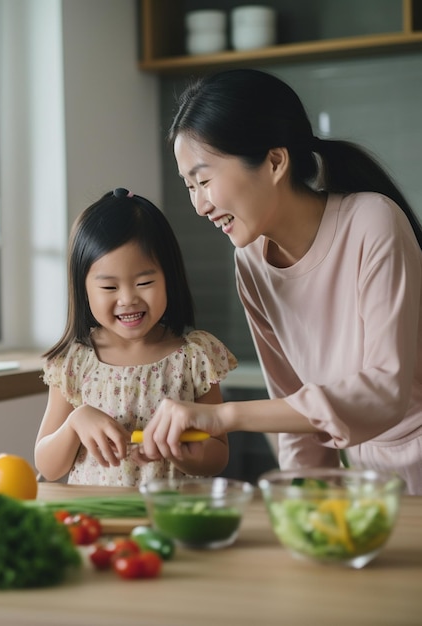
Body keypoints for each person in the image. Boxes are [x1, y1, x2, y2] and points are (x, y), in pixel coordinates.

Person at [140, 68, 422, 495]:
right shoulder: (251, 261)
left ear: (274, 161)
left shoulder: (372, 221)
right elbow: (293, 408)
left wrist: (226, 417)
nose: (200, 205)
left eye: (204, 180)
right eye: (189, 186)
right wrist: (300, 501)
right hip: (372, 485)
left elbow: (386, 391)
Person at [35, 188, 237, 486]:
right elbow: (48, 467)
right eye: (109, 288)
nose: (128, 299)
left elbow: (218, 455)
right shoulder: (74, 362)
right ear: (83, 289)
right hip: (97, 522)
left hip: (169, 519)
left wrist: (177, 450)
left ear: (170, 277)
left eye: (144, 282)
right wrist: (75, 423)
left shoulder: (195, 357)